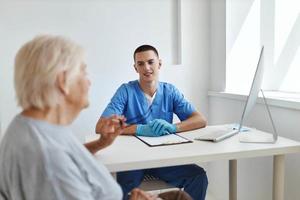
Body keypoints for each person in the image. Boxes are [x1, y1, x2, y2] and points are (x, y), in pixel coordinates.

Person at [0, 35, 191, 200]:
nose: (89, 81)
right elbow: (56, 162)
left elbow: (68, 155)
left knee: (179, 196)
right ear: (63, 82)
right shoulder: (48, 160)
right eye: (83, 71)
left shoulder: (37, 128)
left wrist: (100, 143)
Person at [96, 45, 208, 200]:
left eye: (150, 62)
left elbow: (200, 120)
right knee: (117, 189)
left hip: (162, 160)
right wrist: (139, 129)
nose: (146, 68)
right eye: (140, 64)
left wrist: (173, 127)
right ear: (135, 68)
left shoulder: (170, 91)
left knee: (198, 177)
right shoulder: (126, 91)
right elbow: (101, 126)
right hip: (132, 161)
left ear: (159, 64)